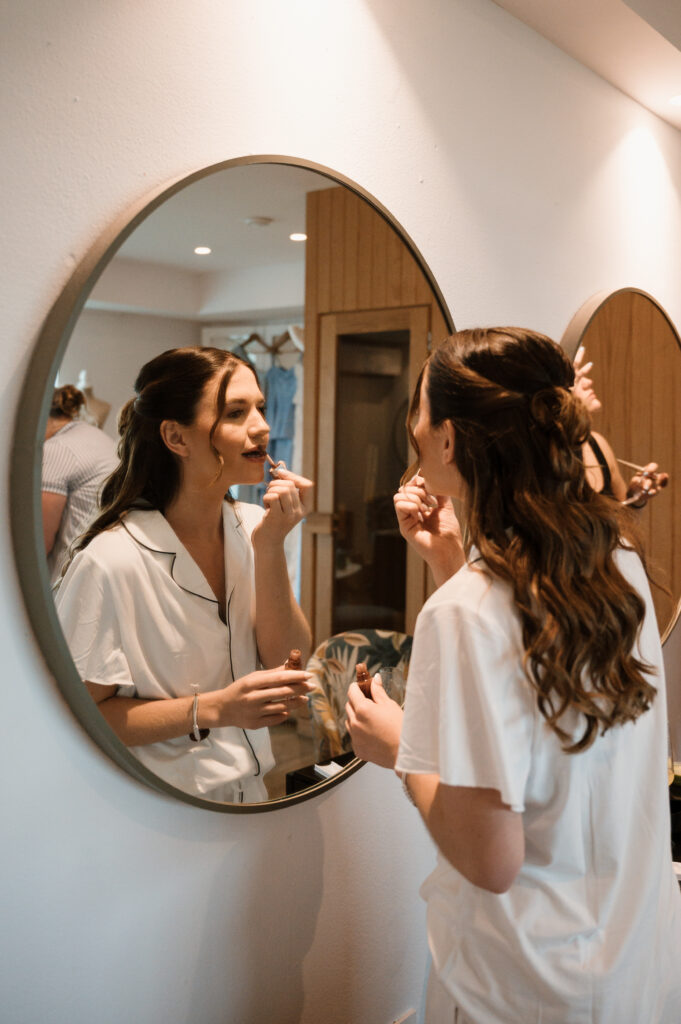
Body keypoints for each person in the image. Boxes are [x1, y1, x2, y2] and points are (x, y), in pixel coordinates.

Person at [346, 328, 681, 1023]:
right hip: (631, 958)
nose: (412, 428)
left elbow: (490, 860)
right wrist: (449, 564)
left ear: (446, 441)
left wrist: (400, 747)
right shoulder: (617, 562)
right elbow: (539, 703)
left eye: (418, 410)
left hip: (517, 984)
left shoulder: (465, 613)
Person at [55, 347, 314, 803]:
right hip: (159, 808)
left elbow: (286, 659)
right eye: (236, 412)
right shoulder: (111, 560)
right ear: (176, 437)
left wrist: (272, 546)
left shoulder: (257, 528)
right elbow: (80, 717)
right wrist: (214, 709)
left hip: (251, 797)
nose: (262, 426)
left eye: (260, 407)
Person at [572, 345, 668, 506]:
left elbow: (624, 518)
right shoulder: (544, 453)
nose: (589, 382)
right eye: (577, 378)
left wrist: (636, 498)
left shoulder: (597, 443)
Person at [42, 384, 119, 584]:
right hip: (99, 572)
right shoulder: (96, 436)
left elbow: (39, 542)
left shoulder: (56, 449)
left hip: (67, 580)